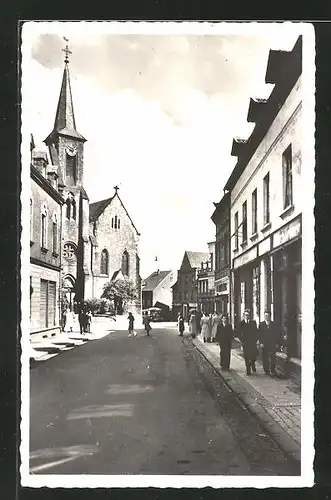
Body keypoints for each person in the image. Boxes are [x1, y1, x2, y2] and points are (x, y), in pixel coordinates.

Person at [238, 309, 258, 376]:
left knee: (253, 355)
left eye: (248, 315)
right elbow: (238, 333)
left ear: (250, 316)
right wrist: (242, 340)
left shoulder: (253, 322)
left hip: (252, 342)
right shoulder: (241, 323)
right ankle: (248, 370)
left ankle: (252, 363)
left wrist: (255, 340)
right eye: (245, 315)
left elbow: (256, 332)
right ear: (243, 316)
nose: (247, 316)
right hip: (245, 342)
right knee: (246, 356)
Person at [258, 310, 279, 376]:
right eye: (265, 316)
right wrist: (261, 342)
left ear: (270, 316)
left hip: (272, 344)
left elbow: (276, 334)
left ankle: (272, 369)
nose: (266, 317)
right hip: (264, 344)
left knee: (273, 358)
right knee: (265, 358)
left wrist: (276, 343)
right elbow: (259, 334)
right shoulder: (261, 324)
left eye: (268, 316)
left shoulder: (274, 324)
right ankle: (266, 370)